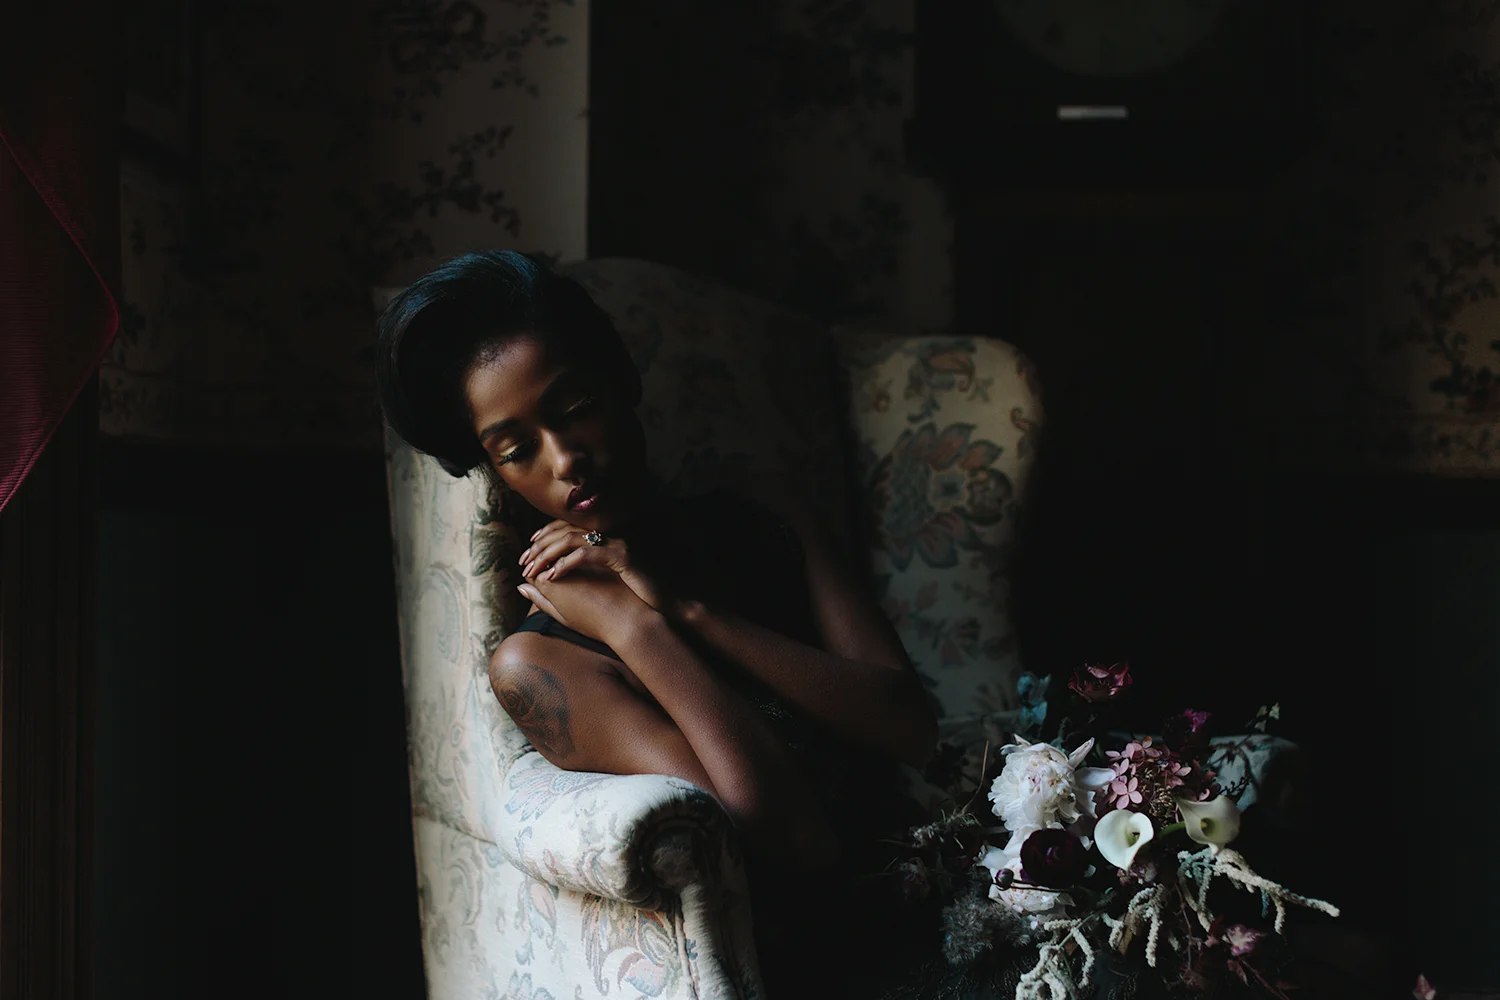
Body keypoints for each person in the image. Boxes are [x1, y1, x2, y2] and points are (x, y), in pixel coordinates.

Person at [375, 250, 945, 998]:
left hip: (951, 888)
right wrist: (633, 628)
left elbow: (914, 729)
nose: (566, 459)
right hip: (822, 961)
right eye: (517, 450)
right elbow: (795, 841)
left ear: (622, 384)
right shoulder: (542, 666)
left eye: (576, 406)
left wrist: (687, 610)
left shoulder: (766, 521)